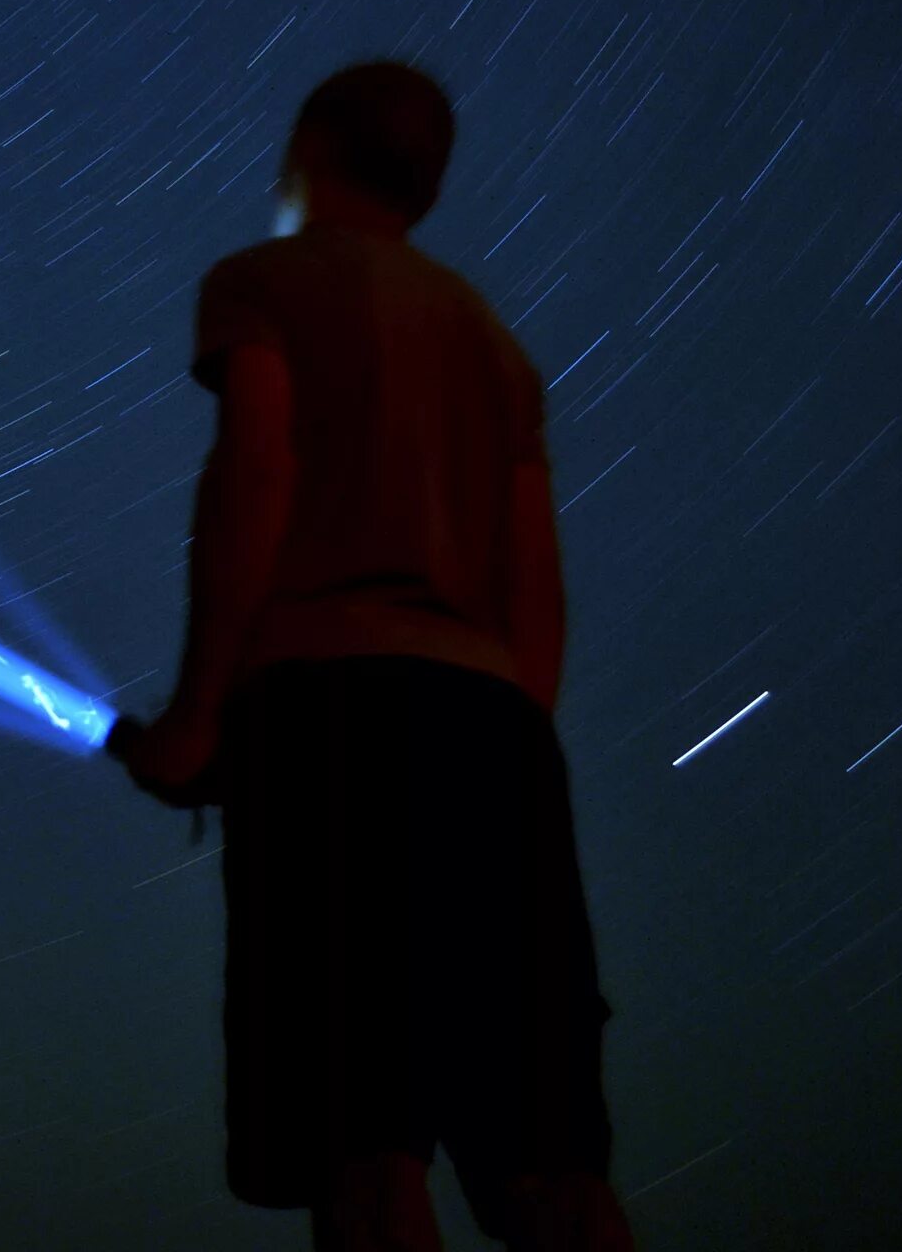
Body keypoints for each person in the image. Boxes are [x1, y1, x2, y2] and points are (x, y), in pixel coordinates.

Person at [105, 62, 637, 1252]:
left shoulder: (265, 281)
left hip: (337, 716)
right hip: (497, 734)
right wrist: (508, 740)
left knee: (367, 1153)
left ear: (305, 147)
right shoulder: (497, 347)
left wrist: (198, 717)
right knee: (551, 1170)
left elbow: (258, 473)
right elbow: (535, 590)